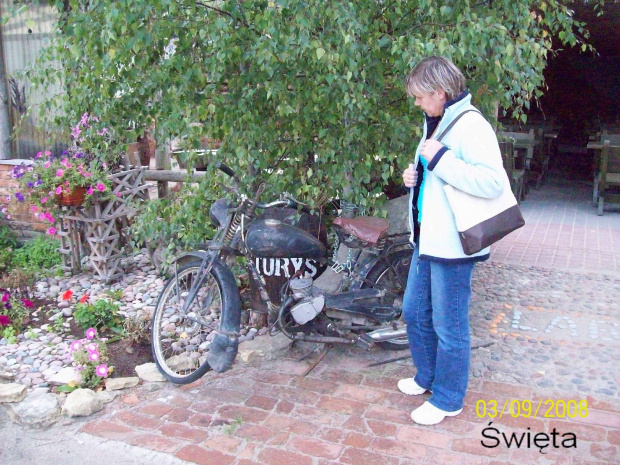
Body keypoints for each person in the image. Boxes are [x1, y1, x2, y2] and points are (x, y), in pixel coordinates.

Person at [399, 56, 505, 425]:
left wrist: (440, 159)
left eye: (420, 96)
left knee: (450, 324)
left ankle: (448, 399)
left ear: (439, 93)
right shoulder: (435, 122)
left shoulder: (471, 125)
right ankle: (427, 377)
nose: (417, 103)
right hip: (426, 240)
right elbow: (437, 179)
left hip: (454, 246)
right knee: (414, 312)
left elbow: (492, 182)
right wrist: (413, 179)